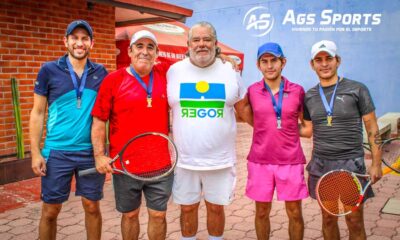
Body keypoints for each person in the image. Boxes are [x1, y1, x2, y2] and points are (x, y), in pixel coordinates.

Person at [166, 21, 250, 240]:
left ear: (215, 43)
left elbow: (245, 112)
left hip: (220, 160)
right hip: (184, 161)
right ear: (188, 44)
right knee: (187, 209)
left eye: (207, 39)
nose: (201, 44)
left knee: (216, 208)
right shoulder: (173, 71)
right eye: (196, 39)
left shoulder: (230, 70)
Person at [29, 20, 107, 240]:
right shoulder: (48, 70)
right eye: (74, 38)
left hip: (89, 153)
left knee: (92, 206)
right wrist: (35, 152)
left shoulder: (101, 72)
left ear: (91, 43)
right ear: (66, 41)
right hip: (57, 152)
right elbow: (37, 113)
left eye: (84, 38)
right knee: (51, 210)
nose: (79, 43)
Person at [91, 30, 172, 240]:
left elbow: (197, 56)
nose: (144, 52)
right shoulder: (113, 80)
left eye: (150, 47)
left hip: (160, 164)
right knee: (130, 215)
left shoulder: (165, 72)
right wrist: (99, 155)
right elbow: (99, 120)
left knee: (158, 215)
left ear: (157, 53)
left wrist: (223, 58)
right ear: (130, 50)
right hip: (125, 165)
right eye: (139, 46)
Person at [300, 40, 382, 240]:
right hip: (321, 165)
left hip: (350, 164)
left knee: (354, 221)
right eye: (319, 60)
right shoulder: (309, 96)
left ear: (338, 61)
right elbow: (308, 130)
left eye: (329, 58)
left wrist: (376, 164)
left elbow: (372, 128)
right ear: (312, 65)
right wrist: (274, 123)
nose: (324, 64)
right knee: (328, 219)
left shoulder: (357, 89)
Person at [242, 42, 308, 240]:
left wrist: (287, 129)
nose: (269, 66)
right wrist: (264, 127)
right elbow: (244, 112)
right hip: (260, 161)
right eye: (265, 61)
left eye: (274, 61)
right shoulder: (252, 91)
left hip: (291, 160)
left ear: (283, 62)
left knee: (295, 213)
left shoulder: (297, 90)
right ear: (258, 65)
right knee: (261, 212)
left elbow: (305, 126)